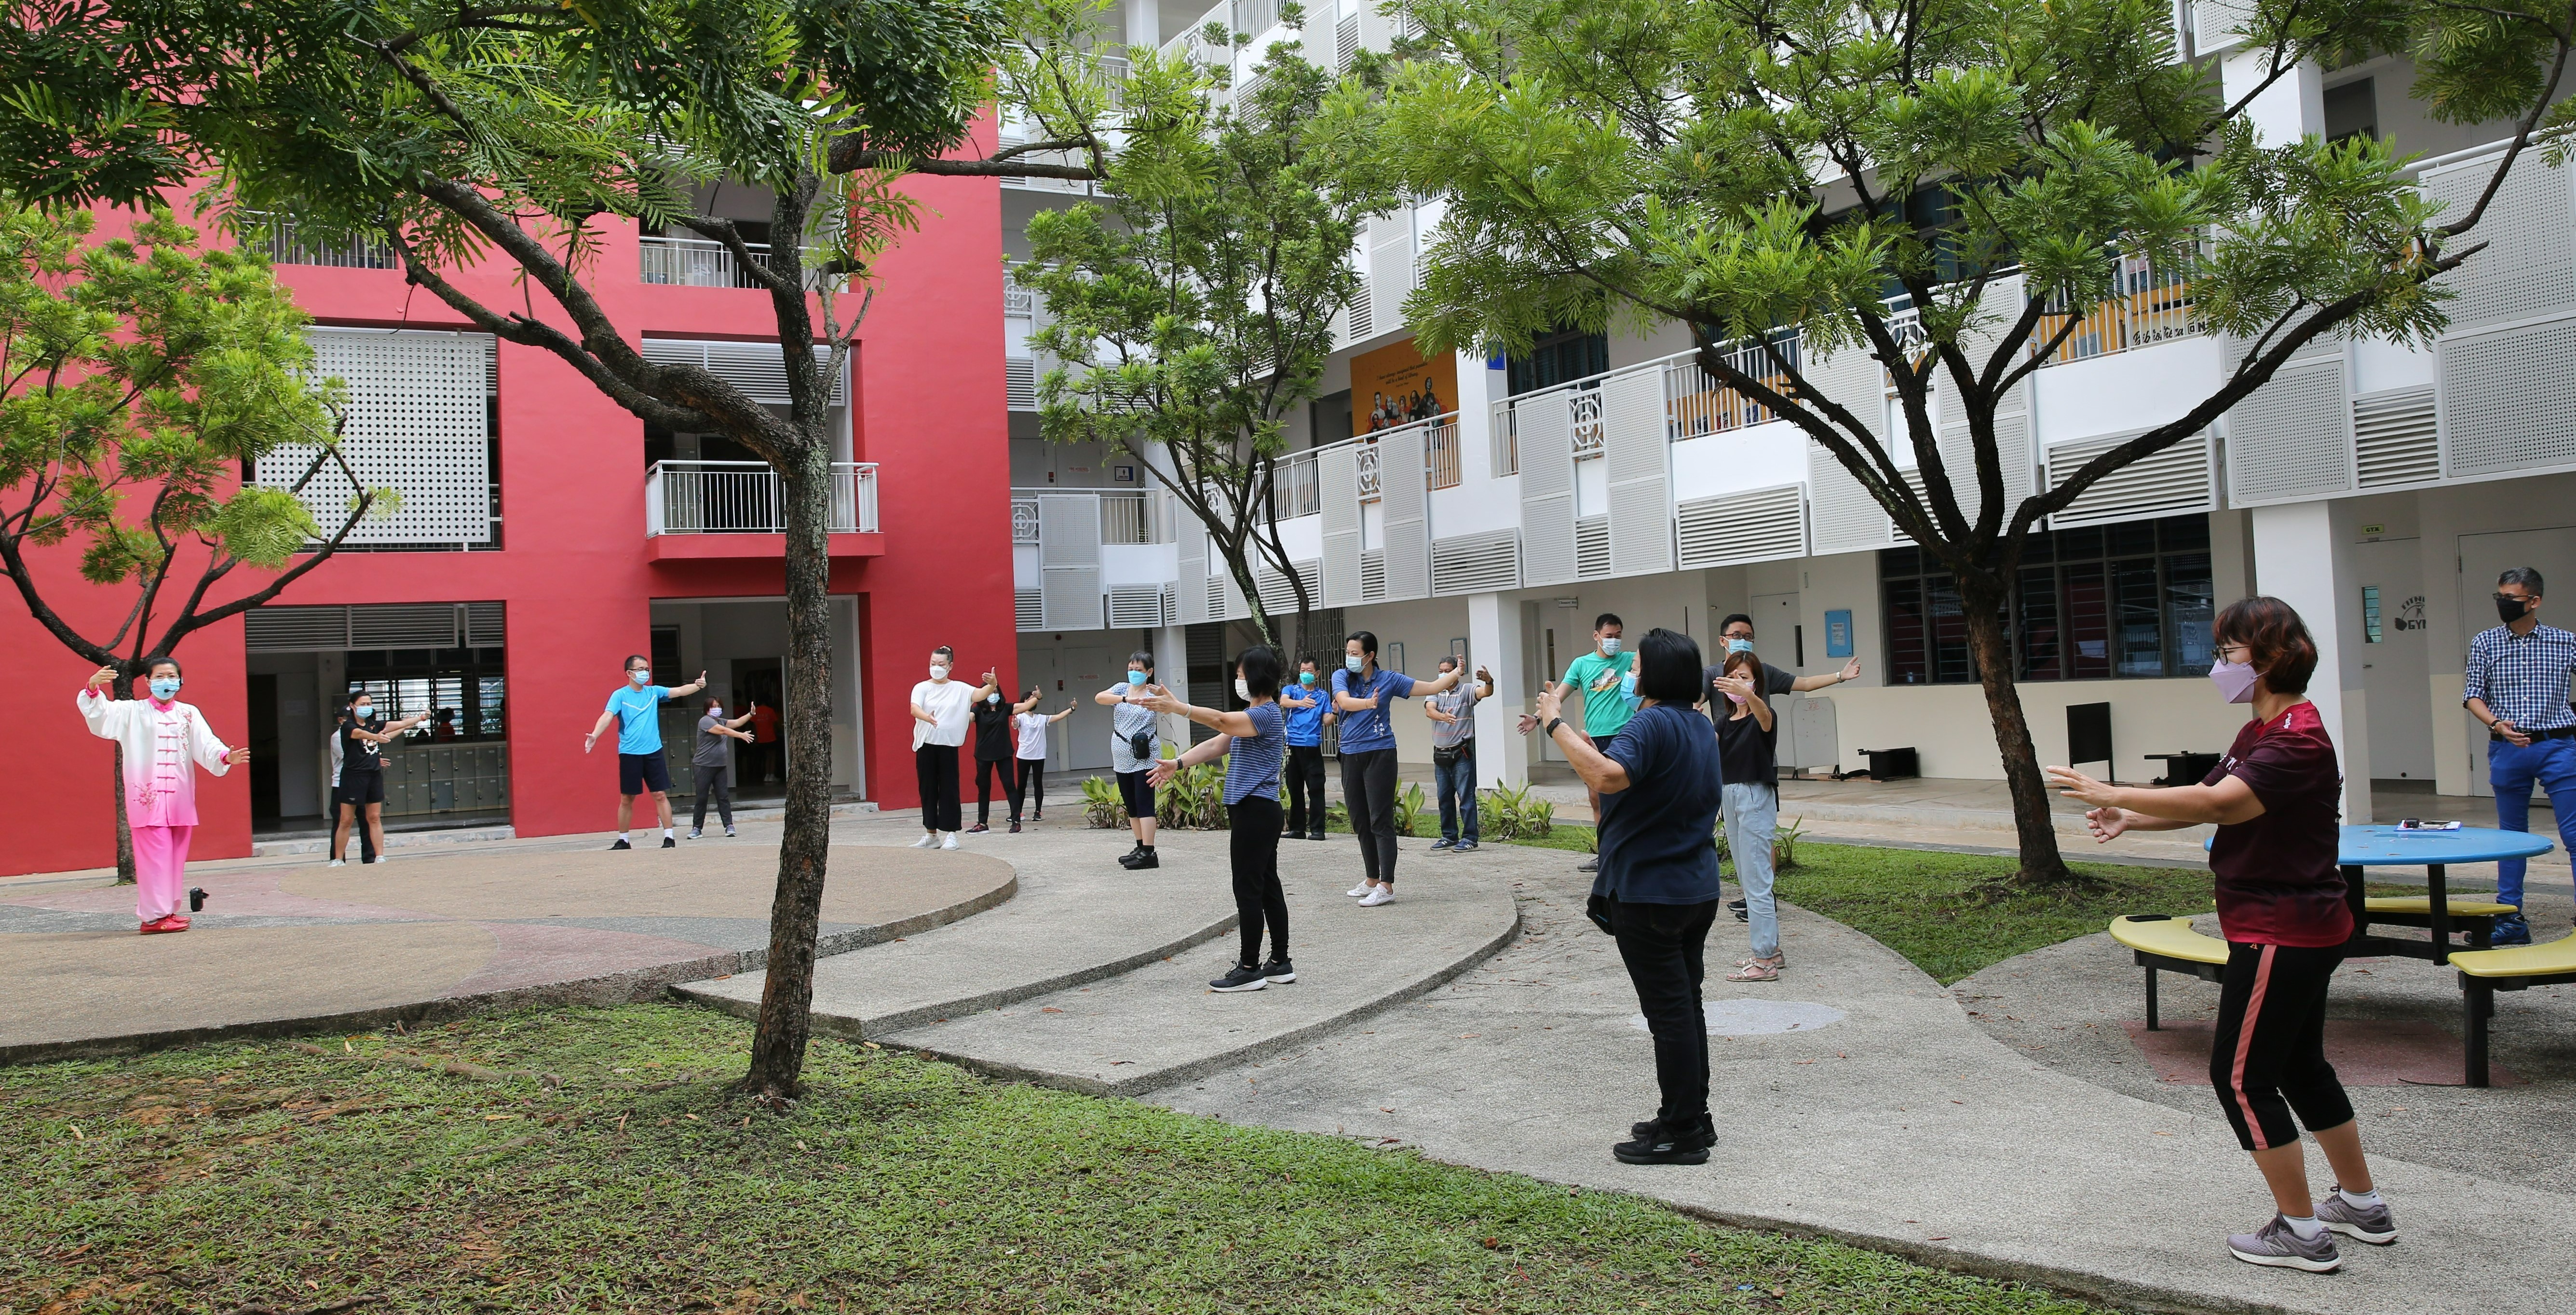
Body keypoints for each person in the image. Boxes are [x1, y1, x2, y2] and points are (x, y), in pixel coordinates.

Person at [2048, 597, 2393, 1273]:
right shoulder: (2263, 730)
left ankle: (2300, 1232)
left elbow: (2217, 804)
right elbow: (2216, 801)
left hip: (2279, 930)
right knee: (2300, 1067)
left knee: (2239, 1079)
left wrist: (2103, 789)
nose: (2219, 665)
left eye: (2227, 652)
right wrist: (2128, 817)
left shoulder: (2296, 737)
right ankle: (2360, 1205)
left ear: (2264, 661)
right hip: (2299, 924)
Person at [1537, 628, 1723, 1166]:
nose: (1628, 672)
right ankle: (1689, 1114)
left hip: (1650, 894)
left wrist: (1555, 721)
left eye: (1636, 664)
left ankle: (1681, 1131)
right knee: (1685, 1006)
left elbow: (1608, 777)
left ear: (1655, 674)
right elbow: (1636, 778)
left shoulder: (1651, 721)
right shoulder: (1698, 726)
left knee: (1668, 1014)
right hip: (1693, 888)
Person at [1139, 646, 1294, 992]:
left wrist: (1179, 708)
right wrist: (1176, 764)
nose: (1237, 680)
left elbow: (1222, 722)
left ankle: (1250, 968)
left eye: (1240, 675)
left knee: (1248, 889)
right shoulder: (1252, 715)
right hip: (1257, 811)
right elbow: (1216, 744)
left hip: (1256, 811)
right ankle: (1280, 963)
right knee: (1266, 884)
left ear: (1255, 677)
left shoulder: (1266, 714)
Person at [79, 660, 250, 935]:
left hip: (180, 799)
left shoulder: (188, 714)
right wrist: (92, 688)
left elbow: (207, 745)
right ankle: (153, 918)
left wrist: (226, 757)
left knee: (173, 859)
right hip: (147, 800)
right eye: (160, 676)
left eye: (172, 676)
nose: (166, 681)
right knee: (154, 860)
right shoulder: (132, 711)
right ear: (148, 681)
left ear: (181, 681)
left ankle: (167, 911)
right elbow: (101, 716)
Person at [2461, 565, 2576, 946]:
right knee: (2511, 838)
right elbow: (2472, 694)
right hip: (2508, 747)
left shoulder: (2565, 642)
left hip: (2558, 746)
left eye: (2511, 599)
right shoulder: (2486, 642)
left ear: (2535, 601)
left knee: (2574, 835)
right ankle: (2511, 920)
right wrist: (2497, 725)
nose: (2503, 604)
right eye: (2500, 597)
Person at [1335, 630, 1463, 905]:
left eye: (1355, 654)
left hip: (1380, 753)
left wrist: (1455, 675)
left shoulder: (1389, 679)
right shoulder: (1342, 677)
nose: (1350, 658)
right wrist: (1367, 703)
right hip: (1349, 754)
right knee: (1359, 819)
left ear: (1370, 656)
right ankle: (1371, 879)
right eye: (1348, 653)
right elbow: (1344, 702)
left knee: (1380, 819)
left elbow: (1429, 688)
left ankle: (1386, 885)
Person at [1519, 613, 1636, 874]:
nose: (1614, 641)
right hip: (1594, 739)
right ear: (1596, 636)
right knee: (1597, 798)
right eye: (1609, 636)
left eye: (1618, 636)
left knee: (1629, 798)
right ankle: (1605, 854)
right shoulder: (1582, 664)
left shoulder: (1630, 659)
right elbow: (1559, 694)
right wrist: (1537, 718)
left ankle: (1630, 854)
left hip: (1626, 736)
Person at [1709, 650, 1784, 981]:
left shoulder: (1763, 716)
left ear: (1756, 682)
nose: (1737, 683)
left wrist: (1750, 695)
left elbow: (1764, 716)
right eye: (1732, 676)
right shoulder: (1724, 722)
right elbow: (1705, 748)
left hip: (1754, 795)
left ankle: (1764, 959)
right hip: (1730, 796)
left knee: (1756, 881)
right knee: (1747, 878)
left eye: (1744, 677)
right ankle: (1771, 950)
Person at [585, 655, 707, 849]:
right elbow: (607, 716)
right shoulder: (620, 696)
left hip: (653, 752)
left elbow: (679, 691)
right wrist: (595, 735)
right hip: (629, 753)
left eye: (647, 669)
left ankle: (669, 837)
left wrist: (698, 686)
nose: (645, 673)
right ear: (629, 673)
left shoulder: (654, 692)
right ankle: (624, 839)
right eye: (641, 669)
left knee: (659, 794)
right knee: (627, 798)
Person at [909, 648, 996, 849]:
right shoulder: (922, 687)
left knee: (949, 789)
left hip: (948, 746)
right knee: (928, 789)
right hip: (926, 744)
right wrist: (927, 718)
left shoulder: (960, 688)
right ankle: (931, 834)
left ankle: (951, 834)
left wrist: (993, 684)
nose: (936, 668)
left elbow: (980, 693)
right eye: (933, 663)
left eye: (941, 665)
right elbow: (914, 708)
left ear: (950, 666)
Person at [331, 692, 428, 867]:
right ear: (352, 706)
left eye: (369, 704)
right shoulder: (348, 726)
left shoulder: (374, 724)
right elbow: (359, 734)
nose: (367, 707)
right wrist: (376, 737)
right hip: (353, 777)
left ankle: (380, 856)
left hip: (373, 776)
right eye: (363, 704)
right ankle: (338, 859)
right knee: (346, 820)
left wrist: (419, 718)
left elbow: (397, 725)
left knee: (374, 817)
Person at [1097, 650, 1166, 868]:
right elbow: (1099, 697)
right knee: (1132, 804)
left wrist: (1160, 696)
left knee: (1144, 802)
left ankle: (1149, 852)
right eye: (1131, 669)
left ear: (1150, 672)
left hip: (1145, 755)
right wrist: (1127, 699)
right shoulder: (1120, 689)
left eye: (1139, 670)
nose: (1134, 673)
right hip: (1121, 755)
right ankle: (1139, 846)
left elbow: (1171, 706)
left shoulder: (1153, 694)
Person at [1422, 656, 1494, 852]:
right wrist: (1442, 716)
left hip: (1462, 753)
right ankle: (1449, 836)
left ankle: (1470, 838)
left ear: (1456, 672)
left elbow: (1486, 693)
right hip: (1440, 754)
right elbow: (1430, 710)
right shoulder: (1435, 689)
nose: (1443, 674)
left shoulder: (1467, 690)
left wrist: (1489, 681)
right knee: (1444, 798)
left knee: (1466, 797)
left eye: (1447, 671)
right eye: (1441, 670)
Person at [969, 685, 1039, 833]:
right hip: (983, 755)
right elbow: (969, 719)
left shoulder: (1006, 709)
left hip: (1003, 753)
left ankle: (1016, 821)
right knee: (984, 788)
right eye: (990, 692)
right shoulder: (978, 710)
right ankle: (982, 823)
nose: (994, 695)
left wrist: (1037, 697)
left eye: (996, 692)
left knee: (1009, 786)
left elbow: (1027, 705)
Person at [1280, 658, 1334, 840]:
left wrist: (1334, 711)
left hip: (1312, 747)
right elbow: (1283, 702)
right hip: (1293, 746)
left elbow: (1327, 721)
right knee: (1294, 789)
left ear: (1317, 674)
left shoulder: (1323, 696)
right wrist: (1301, 703)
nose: (1305, 673)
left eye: (1309, 671)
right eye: (1303, 670)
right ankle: (1297, 829)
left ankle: (1318, 830)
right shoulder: (1292, 690)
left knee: (1316, 789)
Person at [690, 697, 756, 839]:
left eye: (718, 706)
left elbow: (737, 722)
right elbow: (723, 731)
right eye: (713, 706)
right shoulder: (705, 721)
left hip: (720, 766)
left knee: (723, 797)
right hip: (703, 766)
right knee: (702, 798)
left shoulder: (721, 721)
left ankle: (729, 826)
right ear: (707, 709)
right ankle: (697, 828)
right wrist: (741, 735)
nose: (716, 708)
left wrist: (750, 714)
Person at [1010, 690, 1074, 832]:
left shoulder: (1040, 718)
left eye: (1034, 699)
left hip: (1039, 755)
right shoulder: (1020, 717)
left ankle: (1038, 812)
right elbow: (1015, 725)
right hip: (1024, 755)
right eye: (1029, 699)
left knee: (1038, 783)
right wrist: (1014, 723)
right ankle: (1017, 813)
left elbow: (1057, 717)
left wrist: (1071, 709)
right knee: (1021, 785)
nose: (1032, 701)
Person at [746, 696, 782, 786]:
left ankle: (767, 775)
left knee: (767, 756)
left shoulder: (756, 711)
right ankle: (772, 775)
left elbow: (754, 725)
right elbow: (775, 724)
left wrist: (756, 737)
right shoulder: (770, 710)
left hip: (761, 737)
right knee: (772, 756)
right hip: (771, 736)